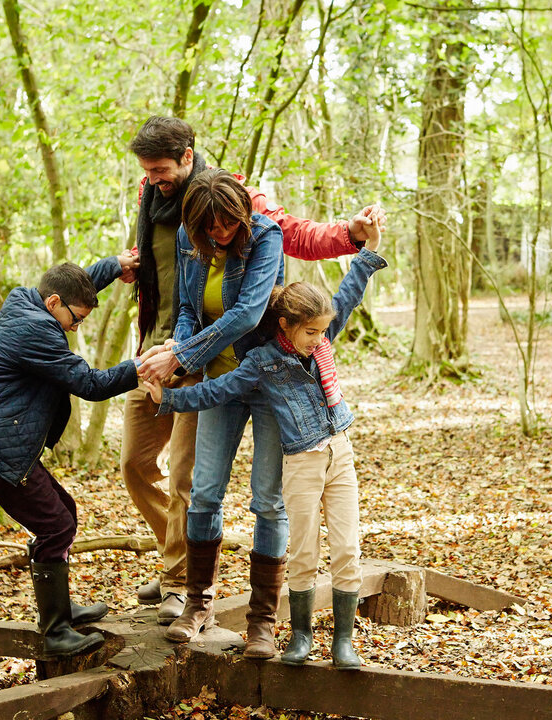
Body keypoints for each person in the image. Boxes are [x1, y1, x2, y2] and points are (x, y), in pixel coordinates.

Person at [122, 115, 385, 625]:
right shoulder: (155, 202)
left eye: (161, 169)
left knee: (205, 481)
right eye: (148, 171)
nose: (155, 178)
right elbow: (178, 286)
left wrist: (350, 236)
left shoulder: (246, 206)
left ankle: (194, 591)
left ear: (189, 155)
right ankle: (182, 564)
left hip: (238, 366)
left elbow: (295, 239)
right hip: (167, 344)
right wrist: (132, 271)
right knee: (142, 465)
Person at [142, 219, 385, 670]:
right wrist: (171, 396)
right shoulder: (263, 360)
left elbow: (346, 296)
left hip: (335, 448)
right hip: (262, 412)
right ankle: (208, 606)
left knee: (294, 518)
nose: (318, 342)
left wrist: (367, 252)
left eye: (320, 333)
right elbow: (217, 389)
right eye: (309, 333)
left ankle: (271, 625)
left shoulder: (319, 334)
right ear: (287, 324)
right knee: (212, 497)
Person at [0, 255, 139, 658]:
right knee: (55, 525)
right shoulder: (36, 332)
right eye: (77, 320)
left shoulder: (27, 302)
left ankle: (60, 610)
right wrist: (140, 367)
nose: (76, 327)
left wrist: (113, 265)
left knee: (64, 513)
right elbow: (89, 383)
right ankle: (55, 632)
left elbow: (73, 284)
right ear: (53, 304)